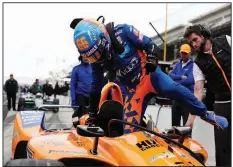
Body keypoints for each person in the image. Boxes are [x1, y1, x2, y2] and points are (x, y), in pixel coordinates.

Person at [70, 18, 228, 134]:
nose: (97, 57)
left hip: (150, 75)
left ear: (104, 37)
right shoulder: (96, 59)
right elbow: (95, 87)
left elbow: (150, 45)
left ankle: (206, 114)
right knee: (128, 133)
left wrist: (152, 58)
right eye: (92, 56)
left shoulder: (123, 31)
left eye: (98, 51)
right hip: (133, 89)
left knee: (173, 88)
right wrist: (91, 114)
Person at [184, 24, 231, 166]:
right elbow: (198, 90)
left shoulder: (226, 40)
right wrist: (190, 120)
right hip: (222, 105)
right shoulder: (197, 63)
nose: (193, 44)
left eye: (195, 39)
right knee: (222, 149)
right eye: (191, 42)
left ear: (203, 35)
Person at [168, 44, 194, 126]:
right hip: (176, 99)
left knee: (186, 127)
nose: (183, 55)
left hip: (187, 99)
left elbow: (190, 80)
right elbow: (170, 75)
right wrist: (180, 77)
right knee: (174, 127)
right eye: (182, 53)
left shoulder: (194, 65)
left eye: (185, 53)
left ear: (189, 53)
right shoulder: (178, 65)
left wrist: (175, 82)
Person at [71, 55, 92, 126]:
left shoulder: (93, 68)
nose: (86, 57)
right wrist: (73, 100)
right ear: (81, 57)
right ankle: (75, 126)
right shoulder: (76, 69)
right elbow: (73, 85)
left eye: (87, 56)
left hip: (91, 96)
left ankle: (88, 129)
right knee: (77, 115)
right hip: (80, 95)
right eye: (84, 56)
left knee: (90, 116)